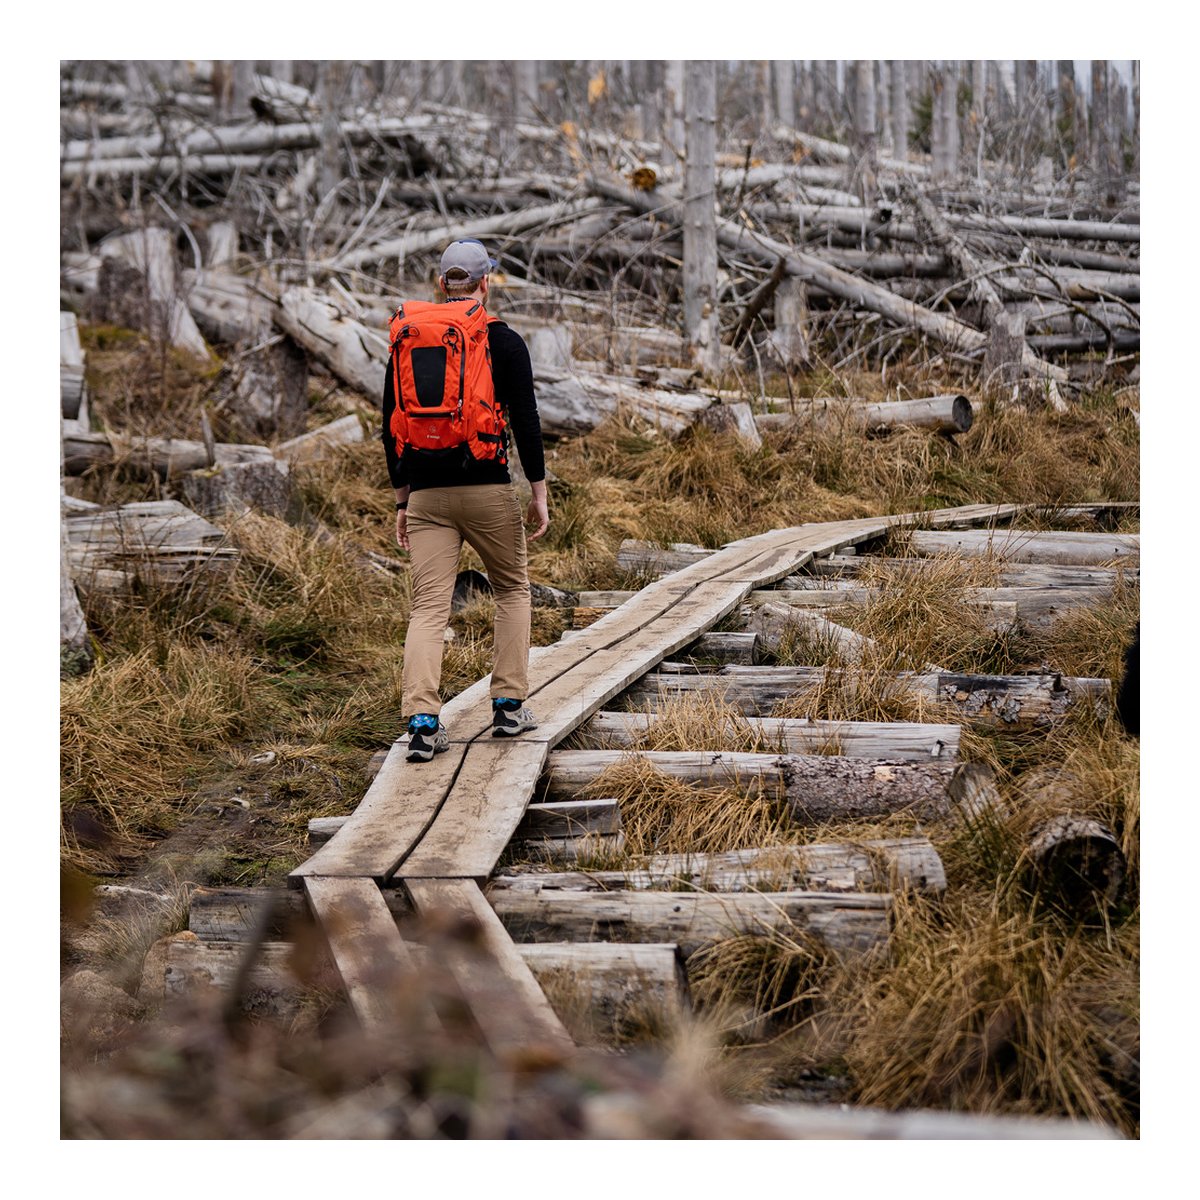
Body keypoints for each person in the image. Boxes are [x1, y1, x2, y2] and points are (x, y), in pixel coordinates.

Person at [381, 239, 550, 762]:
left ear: (440, 285)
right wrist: (538, 491)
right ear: (485, 284)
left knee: (428, 607)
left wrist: (403, 500)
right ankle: (508, 706)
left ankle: (425, 722)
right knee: (512, 589)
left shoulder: (409, 338)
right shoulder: (504, 341)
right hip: (489, 490)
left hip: (427, 495)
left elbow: (390, 424)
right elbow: (526, 420)